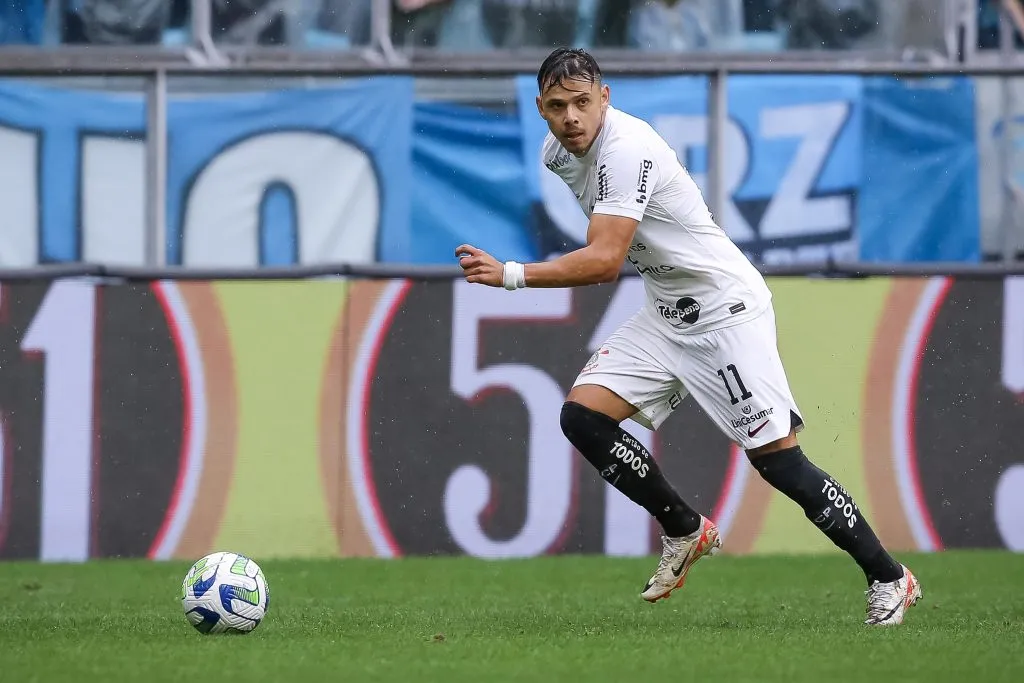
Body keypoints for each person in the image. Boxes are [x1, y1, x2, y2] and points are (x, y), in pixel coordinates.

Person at [456, 47, 922, 626]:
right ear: (541, 109)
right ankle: (683, 527)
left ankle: (888, 576)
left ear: (605, 98)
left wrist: (511, 275)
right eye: (558, 106)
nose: (572, 117)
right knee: (582, 417)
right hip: (666, 311)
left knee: (779, 464)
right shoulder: (558, 153)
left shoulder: (626, 149)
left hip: (724, 311)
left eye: (582, 102)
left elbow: (604, 261)